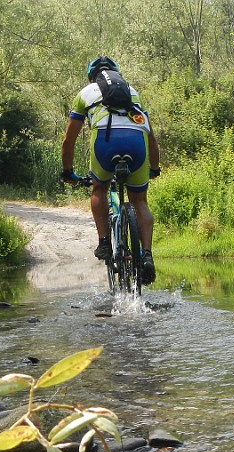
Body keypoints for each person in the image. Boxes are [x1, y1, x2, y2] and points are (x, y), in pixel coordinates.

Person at [60, 56, 160, 285]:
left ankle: (104, 242)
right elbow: (151, 138)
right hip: (137, 146)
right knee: (140, 202)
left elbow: (68, 141)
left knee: (100, 188)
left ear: (91, 77)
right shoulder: (133, 92)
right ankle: (146, 256)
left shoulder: (86, 93)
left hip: (106, 146)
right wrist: (154, 168)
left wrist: (68, 172)